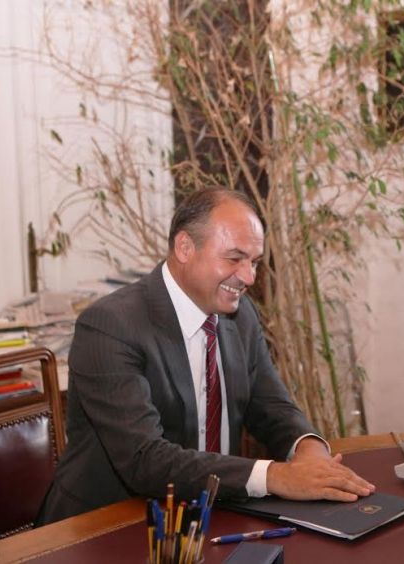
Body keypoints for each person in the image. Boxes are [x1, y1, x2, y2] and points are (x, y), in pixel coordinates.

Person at [38, 188, 374, 524]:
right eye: (234, 258)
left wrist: (309, 449)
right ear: (185, 247)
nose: (249, 277)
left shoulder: (241, 315)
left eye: (254, 262)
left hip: (210, 512)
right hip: (108, 524)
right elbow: (145, 460)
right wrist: (275, 476)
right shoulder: (110, 325)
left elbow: (272, 406)